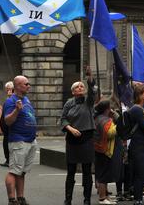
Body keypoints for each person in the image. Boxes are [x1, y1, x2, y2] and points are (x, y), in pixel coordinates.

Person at [60, 68, 96, 205]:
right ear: (73, 92)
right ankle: (67, 199)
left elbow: (93, 91)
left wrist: (90, 78)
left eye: (82, 86)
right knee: (71, 172)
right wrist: (70, 128)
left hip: (86, 138)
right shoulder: (69, 103)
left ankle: (87, 199)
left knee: (87, 172)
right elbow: (63, 119)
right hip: (72, 139)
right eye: (77, 87)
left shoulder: (89, 101)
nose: (80, 87)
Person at [3, 75, 37, 205]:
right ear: (17, 86)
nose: (29, 86)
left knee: (22, 172)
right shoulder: (11, 101)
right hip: (19, 141)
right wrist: (16, 110)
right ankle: (12, 199)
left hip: (30, 140)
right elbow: (8, 121)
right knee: (14, 170)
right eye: (26, 84)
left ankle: (21, 198)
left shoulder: (26, 99)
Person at [93, 99, 120, 205]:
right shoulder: (105, 120)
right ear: (107, 109)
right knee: (103, 175)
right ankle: (102, 198)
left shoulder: (98, 118)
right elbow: (110, 133)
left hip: (98, 148)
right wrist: (118, 127)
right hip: (104, 149)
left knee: (102, 173)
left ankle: (106, 196)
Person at [0, 81, 15, 167]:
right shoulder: (8, 100)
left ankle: (10, 160)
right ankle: (8, 160)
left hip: (10, 128)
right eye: (7, 89)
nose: (8, 91)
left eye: (10, 89)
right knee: (6, 144)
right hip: (6, 129)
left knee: (9, 145)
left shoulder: (13, 99)